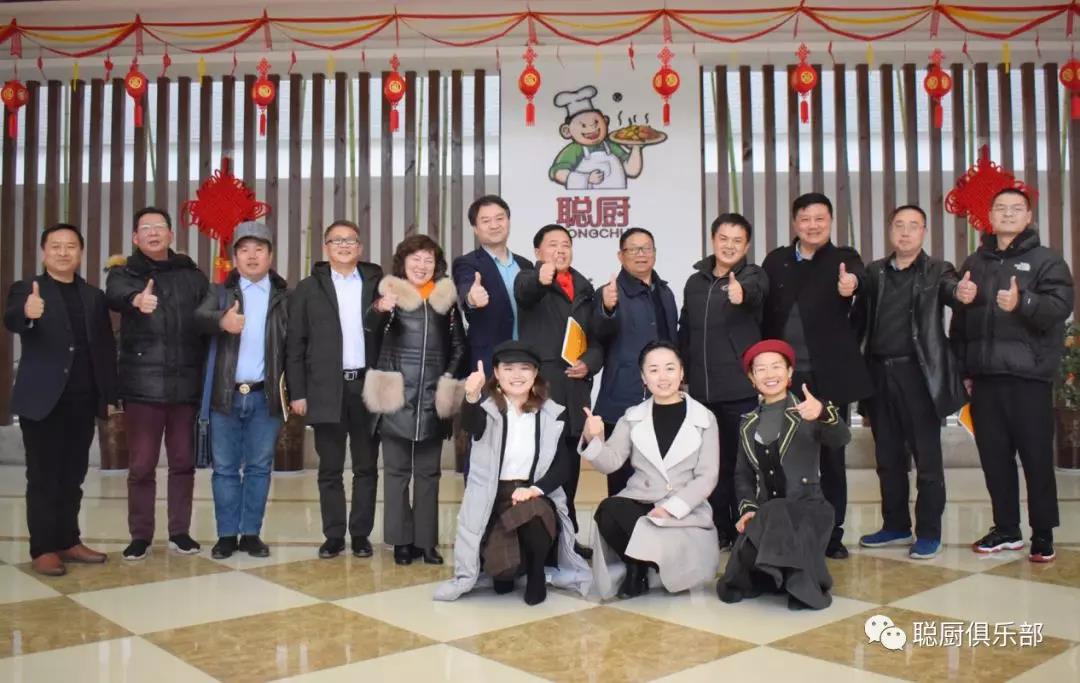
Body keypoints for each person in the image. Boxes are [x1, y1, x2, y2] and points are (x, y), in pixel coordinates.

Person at [951, 188, 1074, 563]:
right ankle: (1006, 529)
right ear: (989, 215)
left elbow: (1060, 307)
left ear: (1028, 216)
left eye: (1015, 208)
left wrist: (1024, 302)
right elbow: (961, 322)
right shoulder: (976, 261)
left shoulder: (1047, 260)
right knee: (994, 459)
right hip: (986, 378)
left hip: (1029, 378)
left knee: (1037, 459)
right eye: (1000, 208)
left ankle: (1043, 533)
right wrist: (965, 368)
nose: (1007, 214)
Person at [434, 341, 591, 605]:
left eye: (524, 368)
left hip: (533, 495)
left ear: (535, 373)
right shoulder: (486, 410)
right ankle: (516, 562)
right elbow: (472, 426)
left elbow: (562, 466)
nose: (517, 375)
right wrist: (471, 396)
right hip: (494, 499)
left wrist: (534, 490)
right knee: (503, 575)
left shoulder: (551, 414)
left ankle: (537, 572)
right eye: (508, 368)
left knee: (532, 511)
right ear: (496, 373)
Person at [761, 192, 872, 559]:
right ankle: (786, 528)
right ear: (795, 223)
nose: (812, 225)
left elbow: (859, 280)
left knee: (831, 457)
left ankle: (832, 534)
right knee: (784, 454)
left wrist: (850, 285)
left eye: (820, 219)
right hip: (783, 379)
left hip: (829, 377)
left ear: (830, 222)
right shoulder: (776, 261)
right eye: (805, 219)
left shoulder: (845, 259)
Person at [5, 223, 117, 576]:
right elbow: (12, 319)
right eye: (56, 246)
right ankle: (43, 548)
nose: (63, 252)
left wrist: (109, 395)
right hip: (43, 401)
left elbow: (104, 348)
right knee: (43, 477)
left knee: (73, 475)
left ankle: (69, 540)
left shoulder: (93, 296)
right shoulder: (27, 289)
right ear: (44, 252)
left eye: (71, 246)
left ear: (80, 253)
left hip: (82, 401)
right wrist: (27, 313)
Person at [857, 206, 967, 560]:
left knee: (927, 459)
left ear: (924, 232)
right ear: (890, 230)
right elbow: (859, 313)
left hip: (919, 375)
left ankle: (929, 532)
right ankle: (895, 525)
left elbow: (951, 290)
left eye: (913, 226)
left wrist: (961, 293)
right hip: (879, 374)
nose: (905, 233)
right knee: (887, 457)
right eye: (899, 226)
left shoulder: (938, 269)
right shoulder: (874, 271)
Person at [580, 341, 721, 600]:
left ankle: (646, 564)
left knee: (654, 525)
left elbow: (707, 476)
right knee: (609, 510)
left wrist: (671, 508)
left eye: (670, 368)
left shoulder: (705, 418)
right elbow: (610, 462)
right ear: (644, 377)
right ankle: (637, 567)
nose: (663, 377)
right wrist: (594, 438)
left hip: (684, 507)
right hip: (641, 500)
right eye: (654, 370)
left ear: (681, 372)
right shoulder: (632, 416)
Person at [106, 207, 209, 560]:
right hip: (142, 386)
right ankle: (141, 536)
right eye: (146, 228)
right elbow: (114, 293)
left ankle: (180, 532)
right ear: (135, 237)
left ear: (170, 235)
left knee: (183, 462)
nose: (153, 232)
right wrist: (137, 299)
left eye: (159, 226)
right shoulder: (124, 273)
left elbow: (207, 315)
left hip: (185, 386)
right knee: (141, 466)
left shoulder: (191, 275)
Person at [717, 340, 850, 611]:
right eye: (760, 369)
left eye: (776, 366)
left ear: (789, 373)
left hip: (808, 509)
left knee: (777, 510)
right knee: (735, 578)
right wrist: (748, 509)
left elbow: (841, 438)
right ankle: (786, 577)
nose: (769, 374)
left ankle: (802, 586)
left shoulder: (807, 410)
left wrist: (823, 413)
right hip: (767, 514)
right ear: (752, 378)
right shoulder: (747, 423)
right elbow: (742, 474)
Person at [363, 234, 467, 566]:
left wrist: (447, 379)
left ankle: (426, 542)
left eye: (428, 260)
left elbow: (459, 346)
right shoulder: (388, 294)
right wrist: (379, 309)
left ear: (437, 266)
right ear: (403, 263)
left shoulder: (446, 300)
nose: (422, 266)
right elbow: (369, 329)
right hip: (395, 395)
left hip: (432, 397)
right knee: (396, 473)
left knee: (428, 474)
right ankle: (401, 542)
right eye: (415, 259)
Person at [286, 220, 383, 560]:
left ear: (360, 247)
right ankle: (333, 535)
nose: (343, 245)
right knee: (330, 468)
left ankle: (361, 534)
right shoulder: (308, 288)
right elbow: (295, 344)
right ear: (325, 247)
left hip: (366, 387)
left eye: (350, 240)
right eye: (336, 240)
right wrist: (298, 393)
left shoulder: (376, 285)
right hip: (325, 388)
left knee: (366, 466)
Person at [194, 222, 289, 560]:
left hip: (266, 397)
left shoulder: (284, 297)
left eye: (259, 249)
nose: (252, 256)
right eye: (244, 249)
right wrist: (221, 321)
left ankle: (250, 533)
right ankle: (225, 535)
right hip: (225, 395)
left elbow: (296, 347)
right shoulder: (219, 293)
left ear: (270, 256)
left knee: (259, 468)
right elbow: (197, 318)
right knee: (224, 469)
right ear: (234, 257)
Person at [515, 224, 609, 558]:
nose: (560, 249)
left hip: (576, 391)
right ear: (538, 252)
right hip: (544, 390)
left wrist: (590, 363)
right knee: (542, 467)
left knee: (570, 469)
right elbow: (525, 291)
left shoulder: (585, 289)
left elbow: (597, 341)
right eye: (552, 244)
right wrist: (541, 278)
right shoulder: (529, 279)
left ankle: (567, 539)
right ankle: (541, 540)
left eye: (566, 244)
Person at [678, 213, 768, 548]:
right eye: (723, 239)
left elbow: (756, 293)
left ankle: (745, 527)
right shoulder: (695, 282)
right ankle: (719, 528)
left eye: (737, 241)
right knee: (709, 466)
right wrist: (681, 371)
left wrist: (742, 294)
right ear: (713, 240)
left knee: (741, 464)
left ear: (746, 245)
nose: (729, 246)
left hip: (739, 390)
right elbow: (685, 330)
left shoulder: (753, 276)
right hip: (701, 392)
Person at [593, 227, 679, 496]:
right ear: (621, 255)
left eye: (647, 248)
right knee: (622, 482)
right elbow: (598, 333)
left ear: (655, 253)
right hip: (622, 397)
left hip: (663, 398)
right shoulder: (609, 293)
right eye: (633, 249)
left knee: (662, 476)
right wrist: (607, 308)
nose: (641, 254)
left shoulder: (665, 292)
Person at [452, 195, 534, 372]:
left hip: (526, 359)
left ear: (508, 221)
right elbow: (466, 287)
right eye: (486, 221)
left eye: (499, 218)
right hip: (488, 360)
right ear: (475, 229)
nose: (494, 225)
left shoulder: (526, 265)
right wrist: (472, 298)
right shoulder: (467, 263)